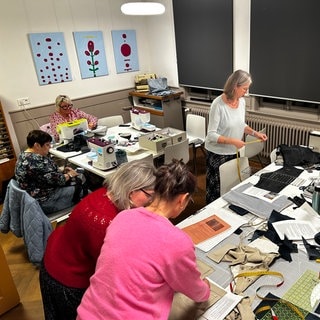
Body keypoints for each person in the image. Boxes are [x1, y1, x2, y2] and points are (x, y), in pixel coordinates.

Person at [76, 159, 211, 320]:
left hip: (89, 312)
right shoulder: (177, 242)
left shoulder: (123, 217)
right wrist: (205, 291)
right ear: (182, 199)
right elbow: (194, 289)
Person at [39, 159, 156, 320]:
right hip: (67, 278)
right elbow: (115, 274)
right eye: (150, 195)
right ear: (132, 191)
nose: (152, 201)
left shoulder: (104, 194)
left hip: (56, 256)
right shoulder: (107, 223)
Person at [204, 69, 268, 204]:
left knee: (231, 185)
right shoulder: (218, 104)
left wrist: (255, 133)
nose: (246, 92)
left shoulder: (242, 102)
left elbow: (241, 124)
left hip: (234, 151)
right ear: (235, 86)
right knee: (217, 189)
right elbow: (211, 135)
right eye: (245, 89)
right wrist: (233, 141)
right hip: (217, 153)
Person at [15, 130, 82, 214]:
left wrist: (61, 171)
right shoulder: (35, 162)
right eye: (47, 145)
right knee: (82, 188)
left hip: (34, 195)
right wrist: (70, 174)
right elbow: (60, 180)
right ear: (37, 145)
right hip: (45, 201)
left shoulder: (24, 155)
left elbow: (44, 174)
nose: (50, 147)